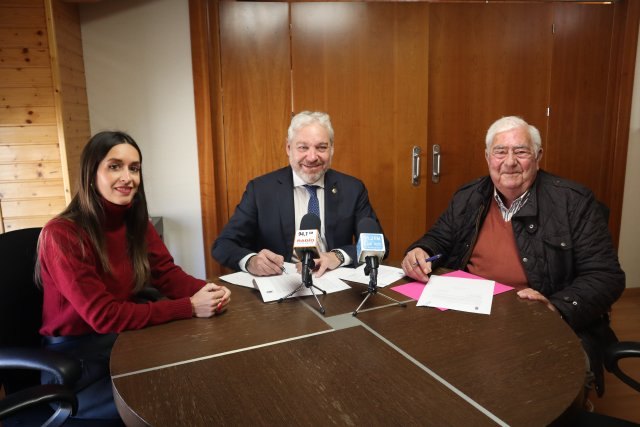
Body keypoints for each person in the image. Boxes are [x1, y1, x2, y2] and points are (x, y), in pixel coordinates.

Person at [401, 116, 625, 397]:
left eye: (521, 151)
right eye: (500, 152)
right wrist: (420, 250)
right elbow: (438, 238)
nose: (509, 162)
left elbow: (606, 277)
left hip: (537, 321)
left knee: (525, 392)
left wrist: (556, 307)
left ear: (538, 156)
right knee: (428, 376)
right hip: (468, 314)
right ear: (487, 157)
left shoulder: (574, 202)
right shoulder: (469, 196)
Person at [36, 131, 231, 420]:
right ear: (92, 173)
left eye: (134, 168)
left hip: (121, 343)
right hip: (75, 366)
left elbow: (167, 275)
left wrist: (211, 290)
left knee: (203, 369)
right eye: (114, 166)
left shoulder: (133, 219)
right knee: (177, 397)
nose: (127, 177)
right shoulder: (62, 234)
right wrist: (188, 307)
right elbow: (104, 316)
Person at [212, 111, 387, 277]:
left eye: (321, 147)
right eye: (303, 147)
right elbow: (223, 245)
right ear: (289, 148)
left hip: (336, 283)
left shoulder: (353, 188)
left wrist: (338, 256)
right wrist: (251, 261)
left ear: (332, 149)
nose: (312, 157)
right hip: (281, 285)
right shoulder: (260, 190)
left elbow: (379, 244)